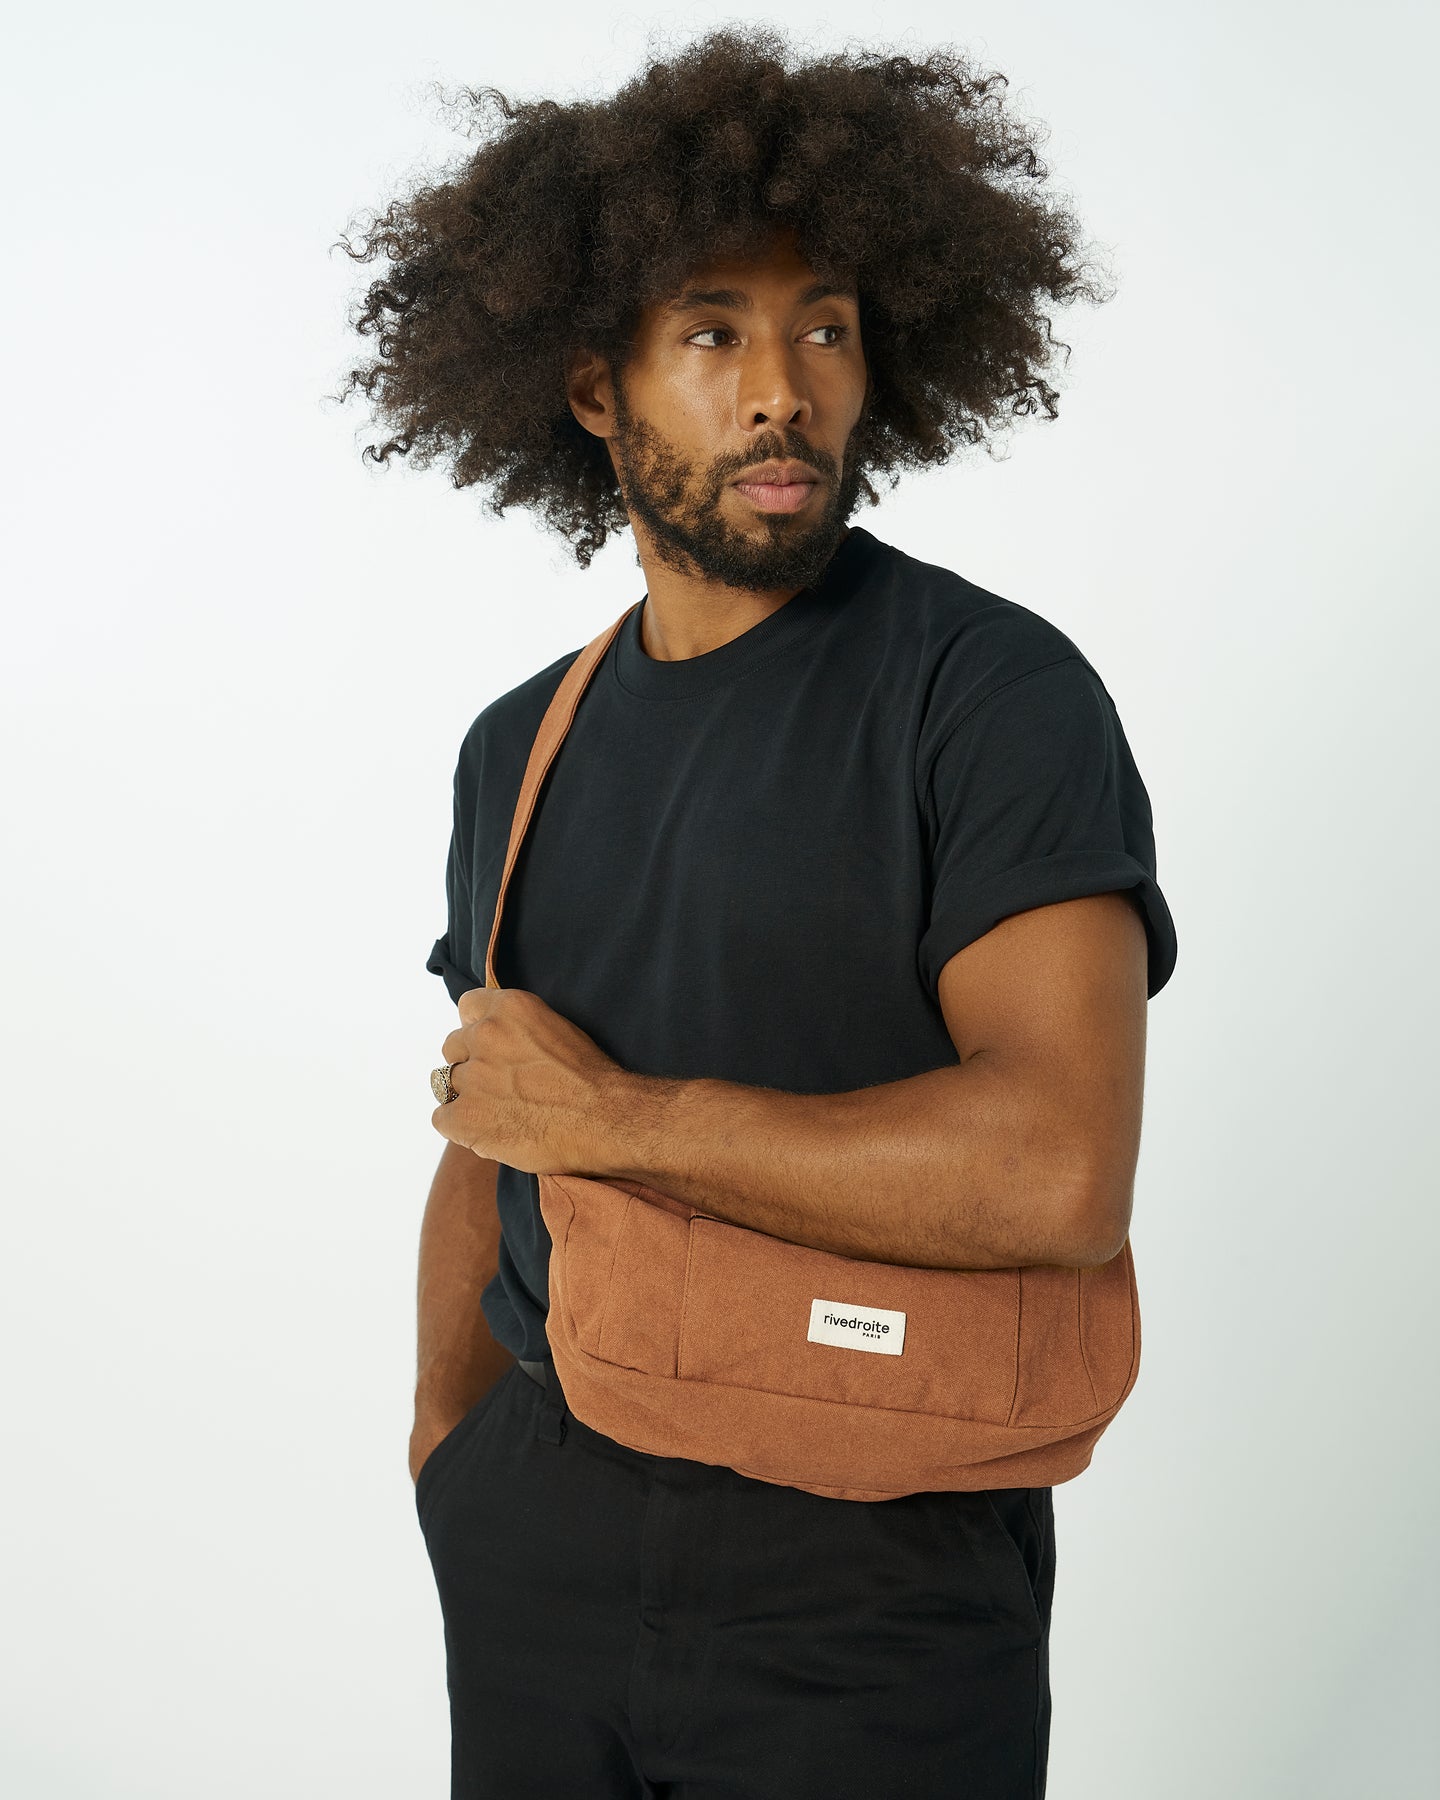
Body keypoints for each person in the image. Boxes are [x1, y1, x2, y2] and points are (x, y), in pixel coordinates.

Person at [338, 25, 1177, 1799]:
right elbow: (493, 1113)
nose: (782, 391)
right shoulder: (520, 745)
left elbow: (1057, 1169)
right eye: (714, 334)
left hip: (874, 1565)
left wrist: (627, 1123)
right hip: (539, 1535)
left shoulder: (987, 695)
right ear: (596, 390)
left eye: (827, 331)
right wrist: (446, 1446)